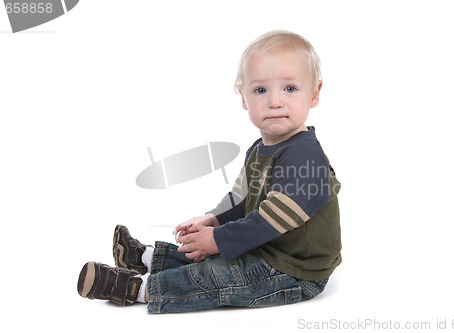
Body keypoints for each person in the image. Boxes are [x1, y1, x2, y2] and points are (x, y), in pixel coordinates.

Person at [77, 30, 342, 314]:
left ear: (314, 94)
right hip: (266, 248)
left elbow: (274, 219)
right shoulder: (258, 149)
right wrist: (213, 221)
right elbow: (241, 198)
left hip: (296, 270)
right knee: (220, 258)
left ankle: (134, 289)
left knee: (220, 277)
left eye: (290, 88)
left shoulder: (305, 155)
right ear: (243, 97)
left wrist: (218, 239)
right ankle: (147, 258)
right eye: (260, 90)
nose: (275, 101)